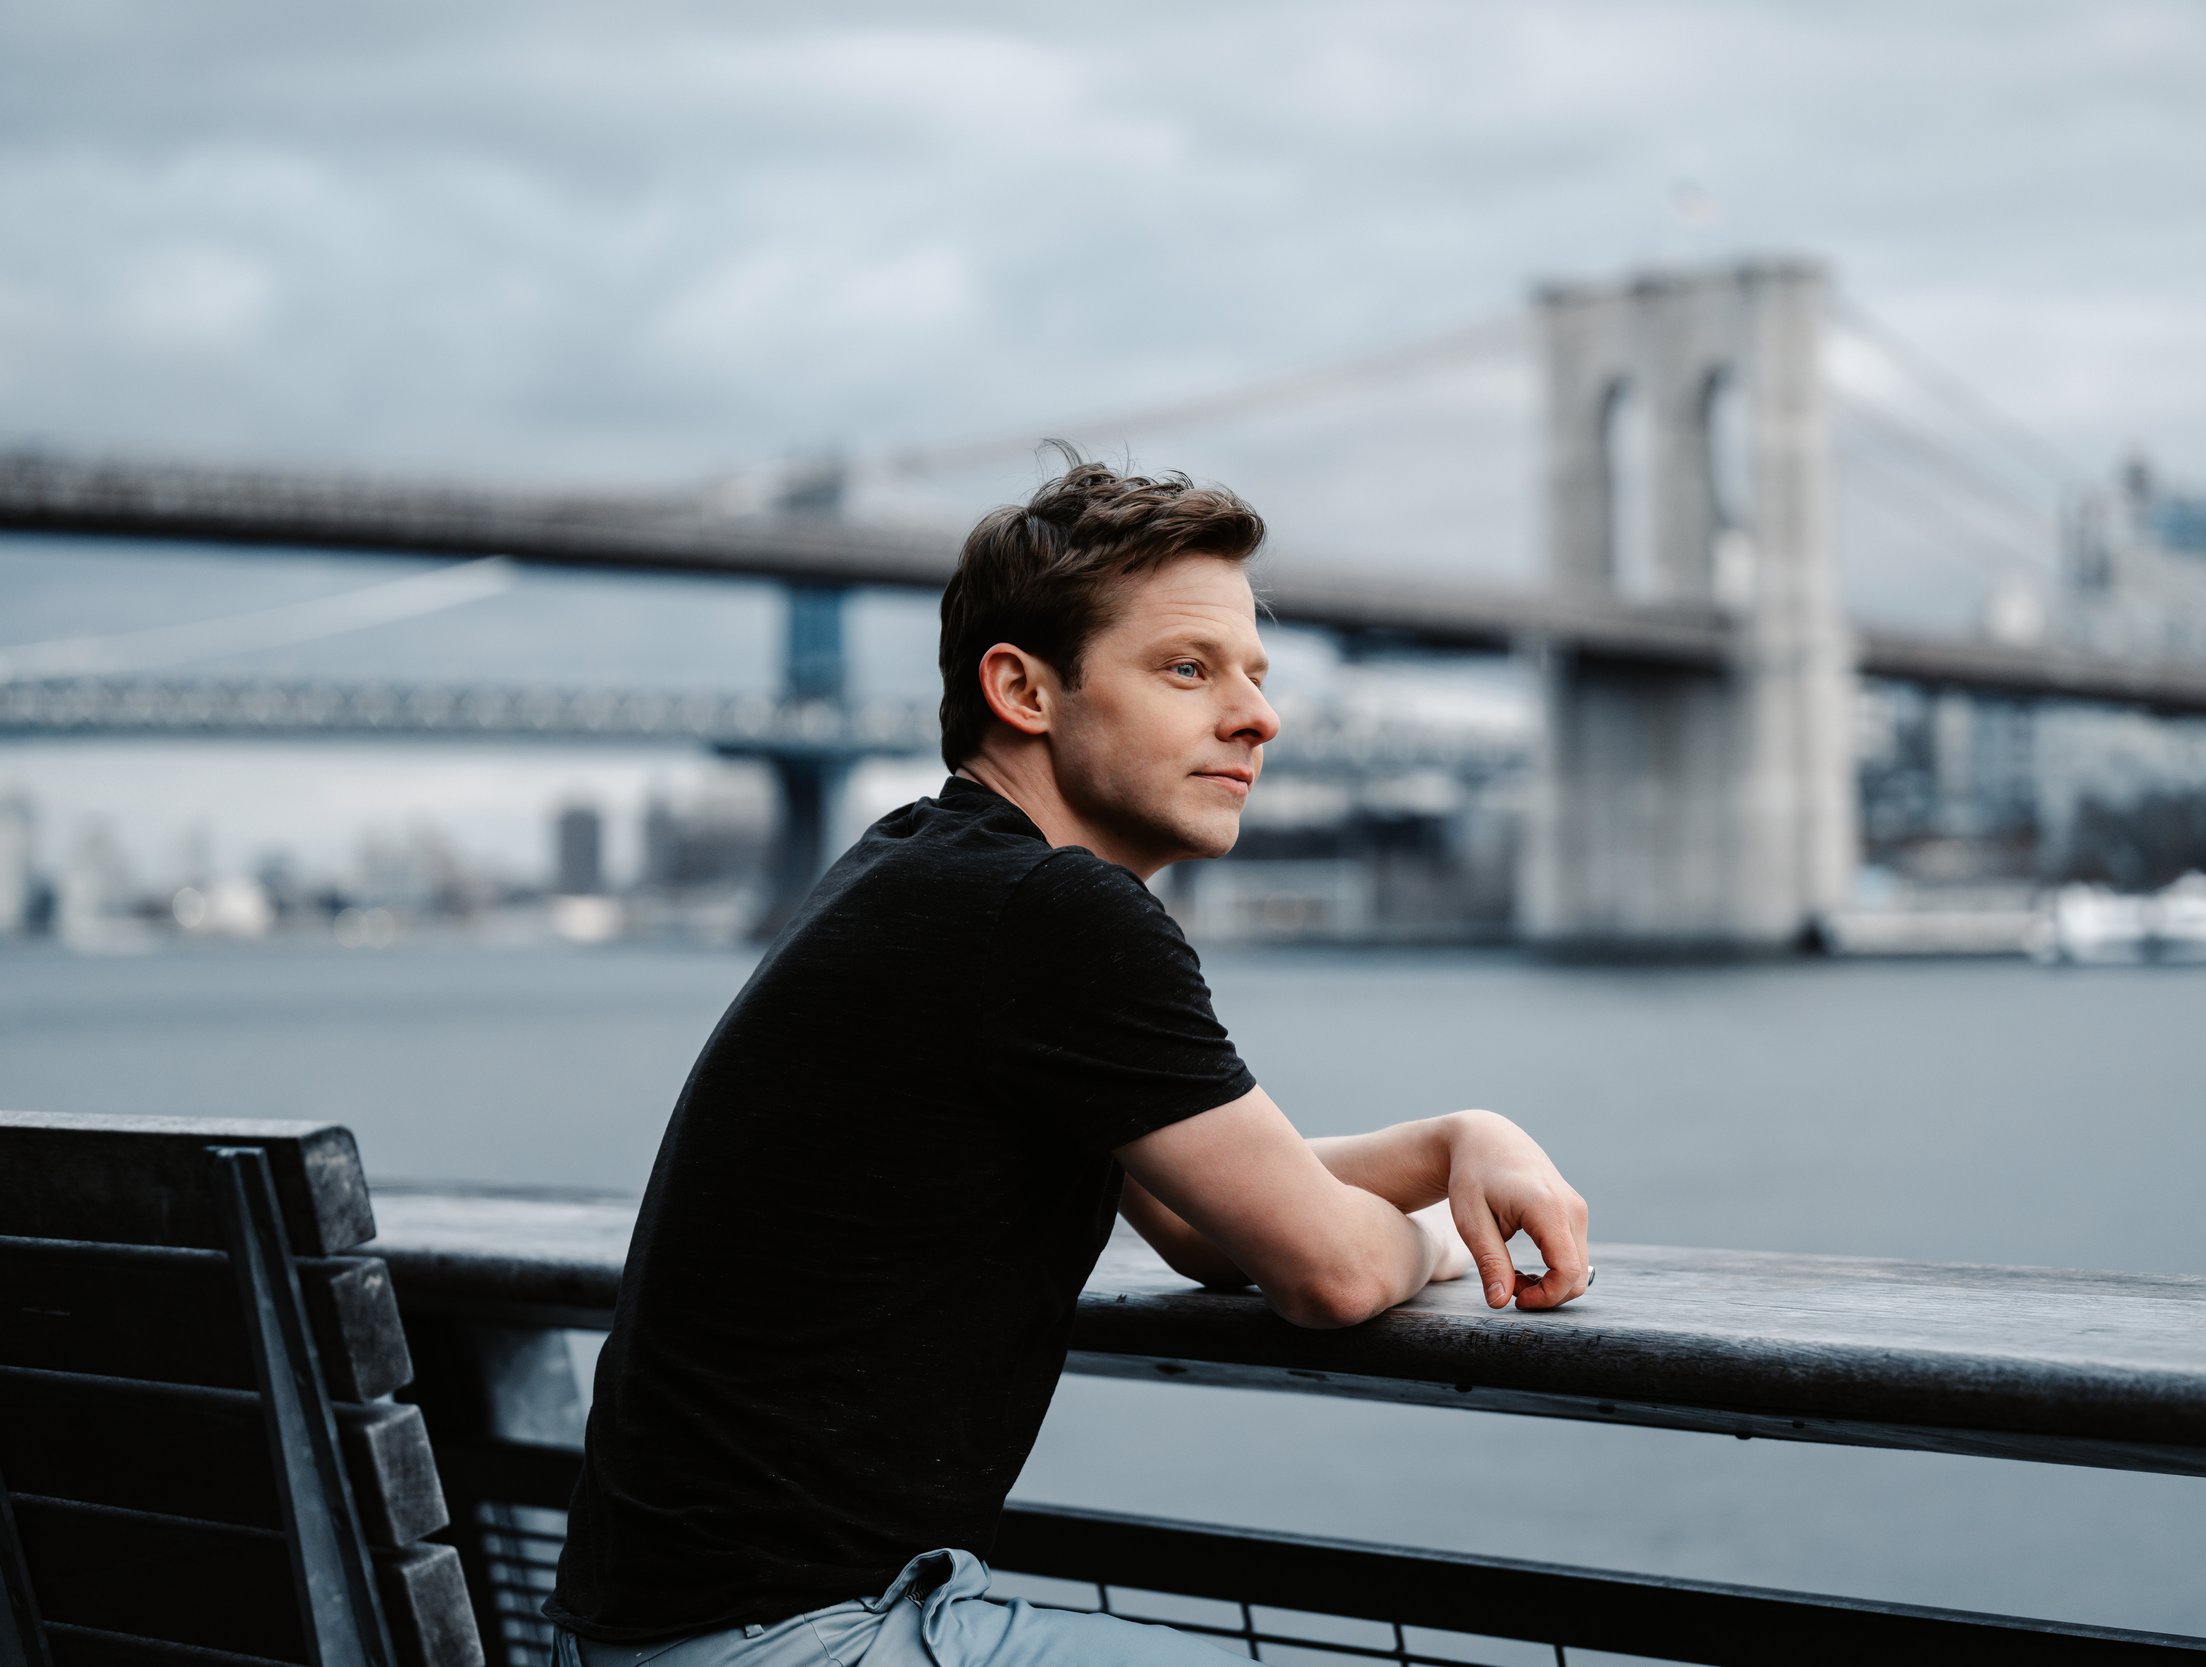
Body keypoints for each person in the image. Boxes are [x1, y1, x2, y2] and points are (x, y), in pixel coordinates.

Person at [548, 453, 1593, 1666]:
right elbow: (1327, 1270)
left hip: (660, 1630)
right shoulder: (1050, 910)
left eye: (1257, 674)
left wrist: (1453, 1139)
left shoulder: (924, 869)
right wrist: (1449, 1250)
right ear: (1024, 690)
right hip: (795, 1638)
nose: (1258, 715)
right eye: (1188, 669)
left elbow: (1207, 1221)